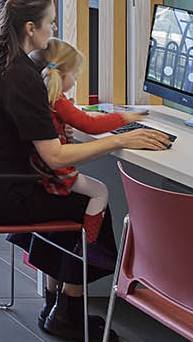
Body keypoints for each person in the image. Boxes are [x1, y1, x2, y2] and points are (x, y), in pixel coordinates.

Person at [0, 0, 170, 342]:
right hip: (1, 196)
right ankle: (68, 312)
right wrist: (120, 139)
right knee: (88, 204)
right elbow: (54, 157)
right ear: (30, 28)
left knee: (69, 198)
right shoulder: (20, 76)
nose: (53, 29)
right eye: (50, 23)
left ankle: (54, 300)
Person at [28, 38, 149, 245]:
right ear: (61, 74)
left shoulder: (40, 96)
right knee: (100, 191)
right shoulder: (58, 100)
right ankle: (88, 244)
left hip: (39, 170)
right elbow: (89, 125)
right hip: (57, 174)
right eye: (74, 74)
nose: (75, 80)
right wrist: (125, 118)